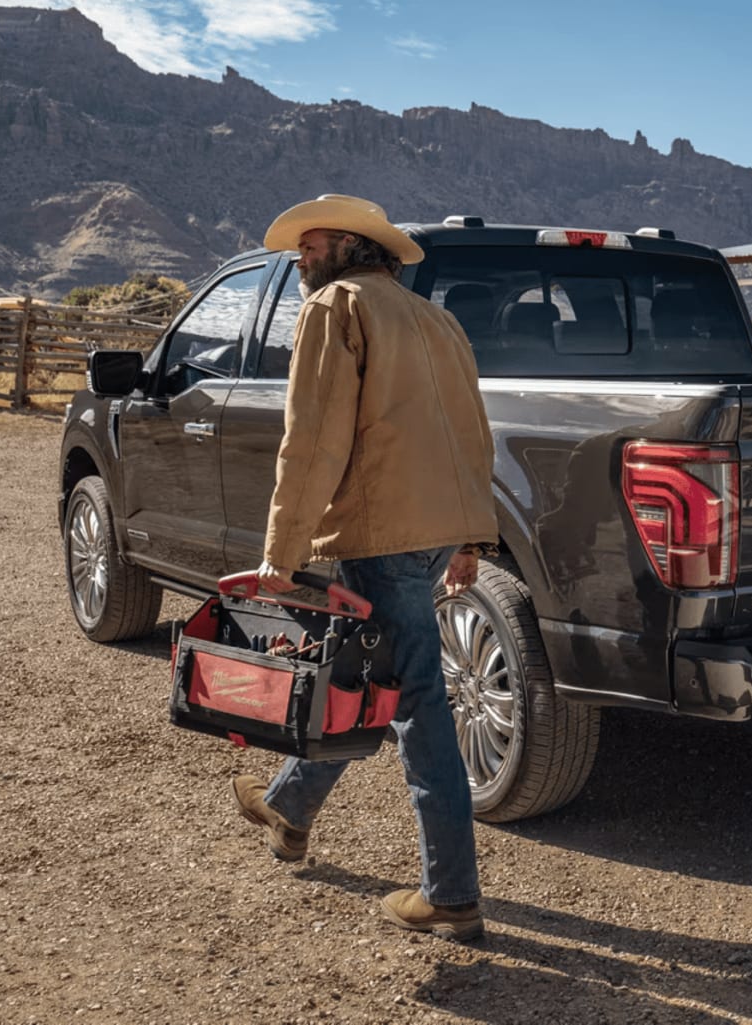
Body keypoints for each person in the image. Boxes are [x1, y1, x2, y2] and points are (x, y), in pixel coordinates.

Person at [230, 194, 498, 941]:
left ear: (351, 245)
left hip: (380, 531)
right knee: (364, 680)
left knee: (414, 700)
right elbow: (473, 433)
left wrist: (280, 554)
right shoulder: (437, 320)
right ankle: (290, 805)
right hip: (435, 529)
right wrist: (473, 536)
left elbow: (312, 441)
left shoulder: (336, 306)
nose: (299, 259)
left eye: (310, 245)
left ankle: (451, 894)